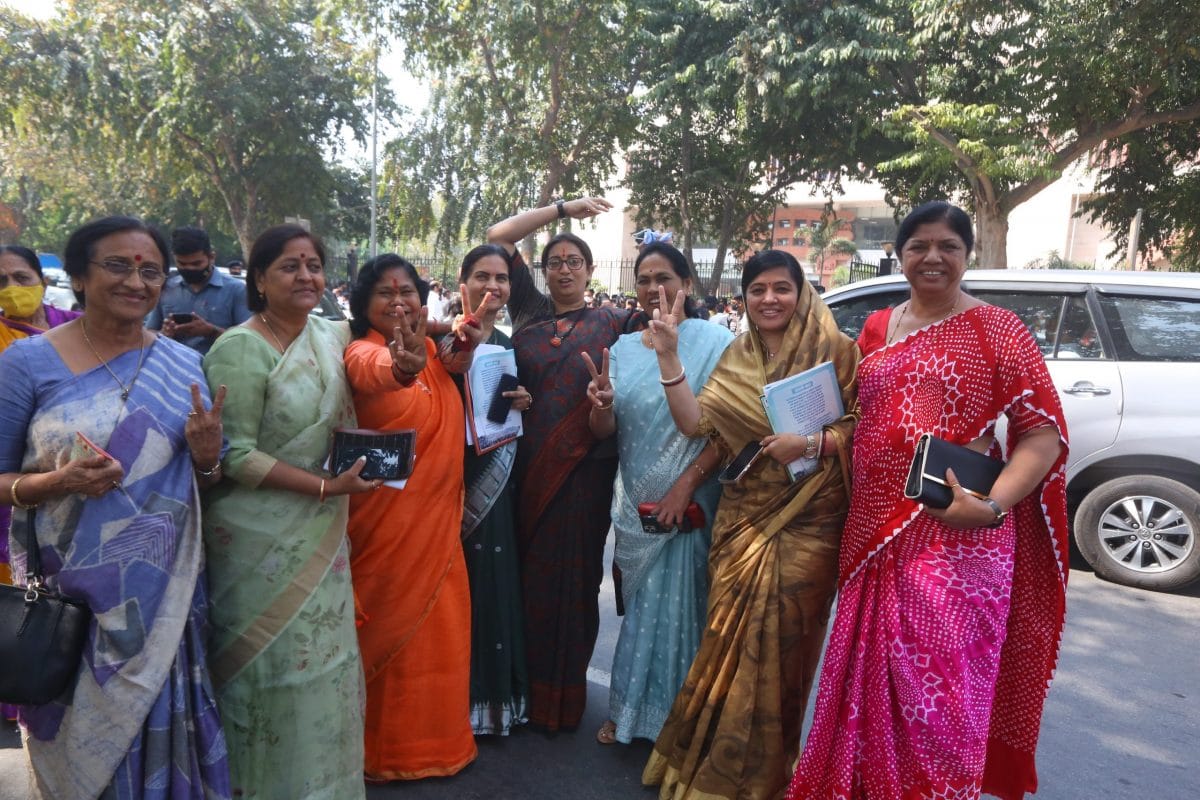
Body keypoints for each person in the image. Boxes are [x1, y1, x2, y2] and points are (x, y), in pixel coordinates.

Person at [786, 202, 1068, 800]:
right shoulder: (877, 327)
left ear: (969, 255)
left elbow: (1042, 435)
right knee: (865, 689)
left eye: (948, 246)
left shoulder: (999, 330)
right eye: (918, 245)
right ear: (900, 255)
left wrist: (990, 508)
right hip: (871, 530)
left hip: (957, 536)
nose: (932, 257)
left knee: (939, 701)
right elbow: (853, 418)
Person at [0, 216, 231, 798]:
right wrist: (55, 483)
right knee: (75, 748)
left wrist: (207, 458)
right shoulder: (27, 363)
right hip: (67, 607)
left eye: (151, 271)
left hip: (163, 599)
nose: (136, 281)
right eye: (118, 266)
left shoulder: (183, 365)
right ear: (78, 277)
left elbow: (205, 481)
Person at [642, 249, 859, 800]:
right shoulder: (737, 356)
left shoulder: (837, 351)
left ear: (801, 292)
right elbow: (696, 425)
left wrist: (810, 443)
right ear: (744, 297)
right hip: (743, 523)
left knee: (785, 655)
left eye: (781, 287)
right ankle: (706, 767)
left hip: (811, 521)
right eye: (757, 289)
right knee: (725, 646)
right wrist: (669, 357)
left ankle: (767, 778)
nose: (769, 299)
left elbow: (864, 427)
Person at [202, 224, 377, 799]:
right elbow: (235, 456)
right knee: (268, 671)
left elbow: (386, 353)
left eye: (314, 265)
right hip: (257, 542)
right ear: (259, 279)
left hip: (323, 535)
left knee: (326, 665)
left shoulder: (333, 333)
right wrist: (326, 488)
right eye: (289, 266)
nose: (306, 276)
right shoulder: (239, 348)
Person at [486, 196, 631, 731]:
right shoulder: (528, 312)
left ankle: (562, 701)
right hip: (525, 472)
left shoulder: (615, 321)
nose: (564, 269)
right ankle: (523, 694)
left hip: (586, 473)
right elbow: (499, 235)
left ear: (590, 271)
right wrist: (564, 209)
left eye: (574, 262)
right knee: (529, 581)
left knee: (575, 584)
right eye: (554, 262)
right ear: (543, 272)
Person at [342, 254, 488, 780]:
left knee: (440, 636)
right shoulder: (361, 351)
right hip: (384, 532)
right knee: (385, 632)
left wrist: (459, 341)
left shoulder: (429, 349)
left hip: (438, 531)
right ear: (363, 304)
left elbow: (452, 355)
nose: (398, 300)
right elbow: (375, 370)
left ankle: (438, 747)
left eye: (407, 291)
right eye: (385, 292)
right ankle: (377, 755)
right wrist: (399, 367)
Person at [583, 243, 733, 745]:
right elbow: (605, 431)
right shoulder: (625, 348)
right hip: (636, 504)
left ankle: (680, 721)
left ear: (686, 284)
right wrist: (601, 406)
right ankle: (629, 712)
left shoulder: (717, 342)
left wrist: (683, 486)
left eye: (664, 277)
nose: (653, 288)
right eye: (644, 279)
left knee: (685, 607)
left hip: (692, 499)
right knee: (643, 607)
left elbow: (728, 430)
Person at [451, 245, 534, 736]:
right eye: (482, 276)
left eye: (501, 278)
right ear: (462, 283)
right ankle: (452, 705)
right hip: (451, 476)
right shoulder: (443, 336)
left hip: (498, 471)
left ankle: (493, 704)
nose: (493, 286)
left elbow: (502, 409)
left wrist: (523, 400)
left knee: (494, 580)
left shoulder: (507, 343)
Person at [0, 246, 82, 581]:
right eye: (1, 281)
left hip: (80, 460)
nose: (12, 288)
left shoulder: (78, 325)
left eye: (22, 277)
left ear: (43, 281)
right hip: (14, 464)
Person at [146, 226, 251, 354]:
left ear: (211, 257)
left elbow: (249, 341)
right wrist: (164, 334)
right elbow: (149, 332)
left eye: (196, 264)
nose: (189, 269)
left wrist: (211, 332)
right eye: (182, 264)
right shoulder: (166, 289)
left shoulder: (236, 290)